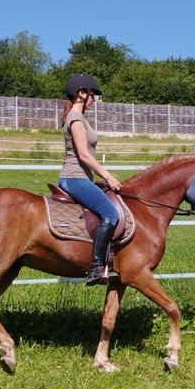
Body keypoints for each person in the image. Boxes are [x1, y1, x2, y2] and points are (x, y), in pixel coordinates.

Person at [58, 73, 122, 285]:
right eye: (92, 95)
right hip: (74, 178)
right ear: (81, 93)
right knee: (110, 214)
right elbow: (84, 155)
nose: (94, 99)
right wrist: (108, 176)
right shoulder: (76, 119)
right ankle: (95, 267)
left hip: (81, 178)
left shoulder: (80, 117)